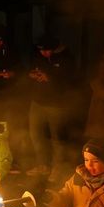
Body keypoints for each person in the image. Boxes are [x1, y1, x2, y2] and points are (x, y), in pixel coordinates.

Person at [26, 35, 77, 179]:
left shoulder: (66, 58)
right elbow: (31, 69)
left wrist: (50, 78)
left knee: (57, 138)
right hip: (37, 102)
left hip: (57, 105)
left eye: (46, 51)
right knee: (36, 135)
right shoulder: (39, 55)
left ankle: (58, 168)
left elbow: (70, 81)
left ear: (54, 48)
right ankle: (43, 165)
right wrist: (33, 75)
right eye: (41, 51)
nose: (43, 53)